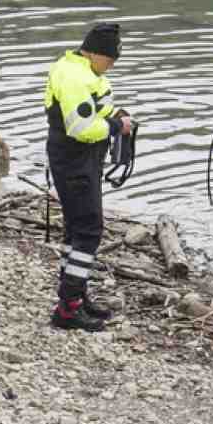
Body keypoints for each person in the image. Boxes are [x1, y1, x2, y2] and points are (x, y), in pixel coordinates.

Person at [44, 21, 134, 331]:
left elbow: (94, 110)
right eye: (109, 61)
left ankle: (74, 297)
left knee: (76, 228)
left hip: (78, 161)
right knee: (89, 229)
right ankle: (68, 309)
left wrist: (115, 115)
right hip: (75, 161)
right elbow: (80, 129)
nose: (109, 67)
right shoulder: (75, 78)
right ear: (95, 53)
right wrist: (114, 127)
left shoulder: (77, 68)